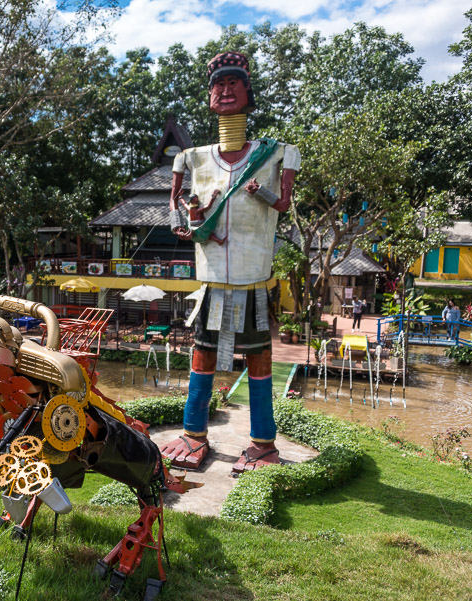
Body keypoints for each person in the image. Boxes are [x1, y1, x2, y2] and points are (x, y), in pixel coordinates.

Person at [160, 51, 301, 475]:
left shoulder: (277, 153)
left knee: (258, 360)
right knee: (201, 356)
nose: (224, 90)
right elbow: (174, 214)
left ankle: (262, 443)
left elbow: (285, 204)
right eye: (217, 84)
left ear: (247, 93)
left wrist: (260, 193)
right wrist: (191, 217)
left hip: (253, 279)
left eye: (233, 82)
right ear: (209, 97)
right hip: (212, 281)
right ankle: (193, 435)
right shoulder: (192, 158)